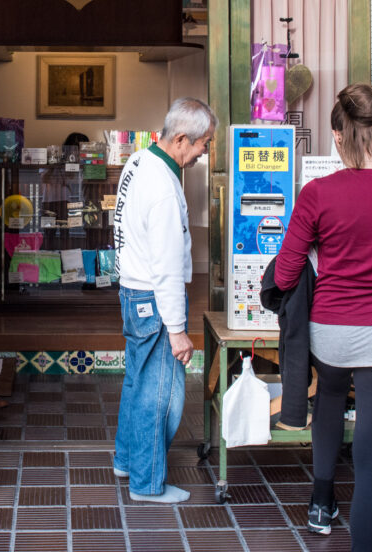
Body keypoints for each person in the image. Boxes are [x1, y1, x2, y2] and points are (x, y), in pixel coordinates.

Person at [272, 83, 372, 548]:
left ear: (338, 137)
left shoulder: (318, 193)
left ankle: (322, 501)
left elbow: (284, 275)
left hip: (332, 333)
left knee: (330, 399)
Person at [112, 97, 217, 503]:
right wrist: (178, 331)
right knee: (160, 396)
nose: (203, 152)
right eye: (203, 144)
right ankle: (146, 482)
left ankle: (127, 460)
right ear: (180, 139)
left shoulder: (138, 161)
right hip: (154, 297)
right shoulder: (163, 189)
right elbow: (169, 268)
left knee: (137, 382)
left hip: (133, 290)